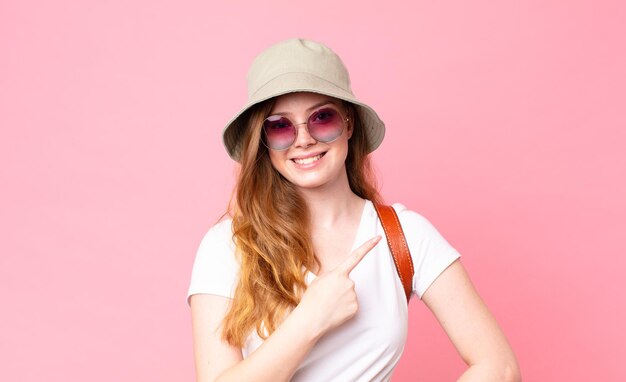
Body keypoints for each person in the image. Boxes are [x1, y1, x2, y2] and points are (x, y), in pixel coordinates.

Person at [187, 38, 520, 382]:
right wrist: (310, 321)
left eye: (322, 118)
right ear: (264, 142)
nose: (303, 140)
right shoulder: (228, 245)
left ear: (348, 123)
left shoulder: (403, 236)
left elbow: (500, 366)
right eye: (280, 125)